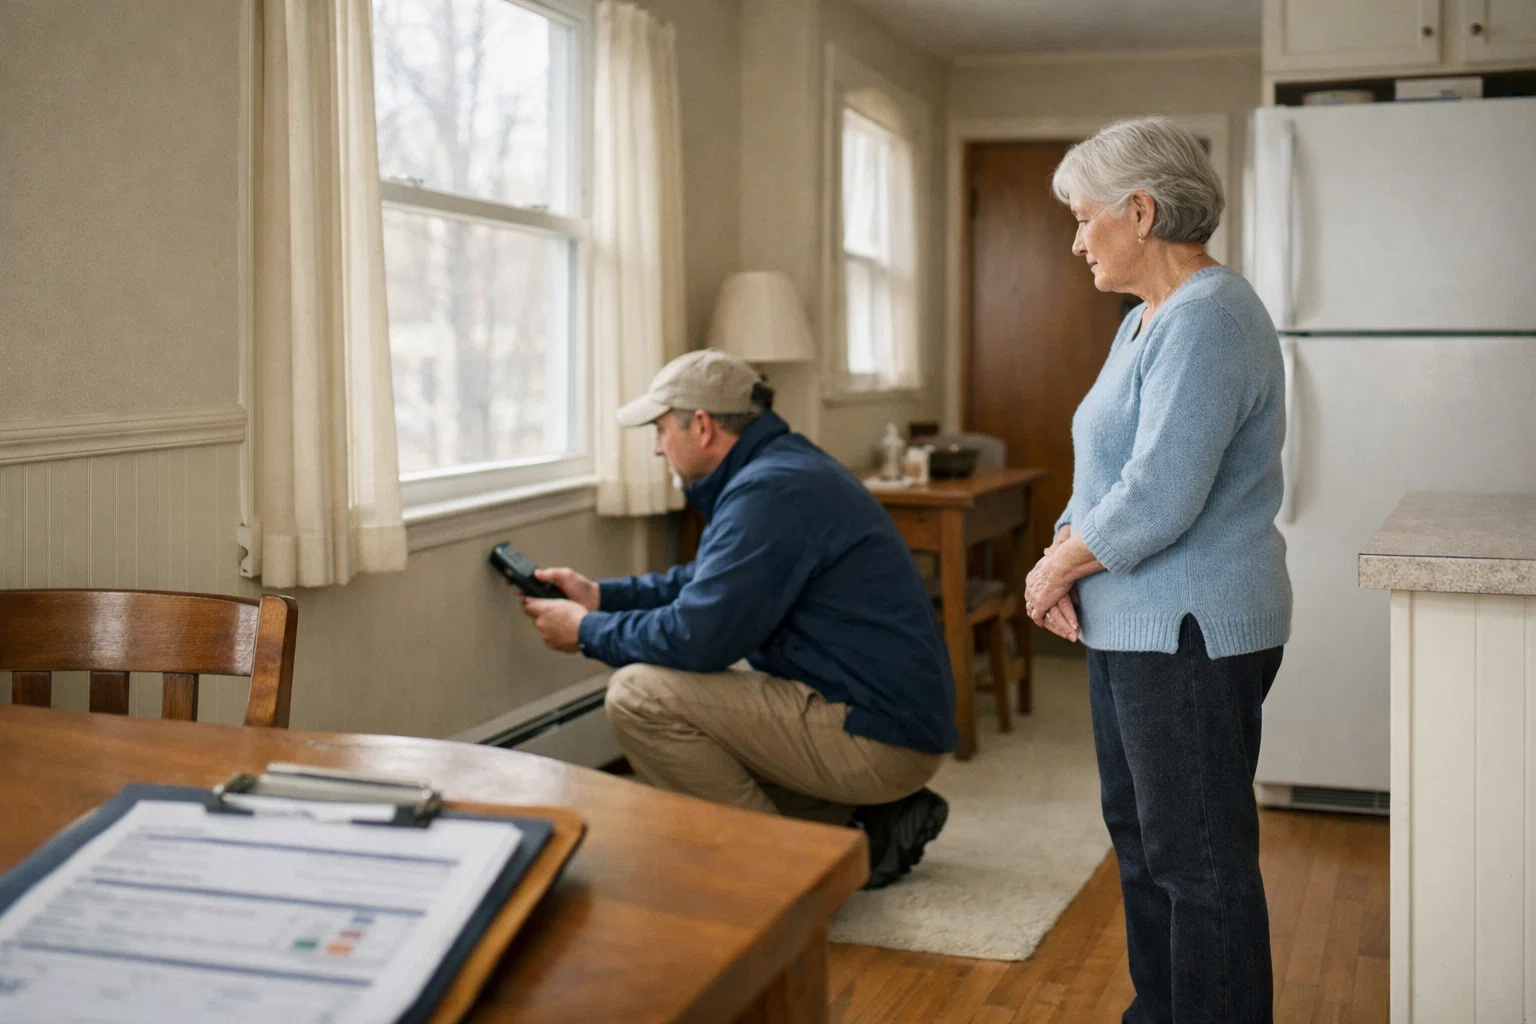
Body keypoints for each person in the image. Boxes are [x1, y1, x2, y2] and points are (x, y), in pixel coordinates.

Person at [1022, 116, 1292, 1022]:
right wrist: (1065, 550)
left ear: (1140, 211)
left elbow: (1160, 491)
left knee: (1199, 866)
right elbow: (1101, 468)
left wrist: (1054, 571)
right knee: (1143, 847)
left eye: (1083, 216)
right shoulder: (1147, 320)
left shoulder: (1211, 316)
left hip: (1188, 631)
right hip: (1133, 625)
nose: (1074, 240)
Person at [519, 349, 956, 889]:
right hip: (890, 722)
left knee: (640, 696)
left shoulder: (769, 490)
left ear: (701, 426)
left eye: (660, 430)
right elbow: (707, 581)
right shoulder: (782, 469)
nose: (657, 447)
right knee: (705, 738)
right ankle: (860, 824)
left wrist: (585, 631)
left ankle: (782, 880)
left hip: (879, 738)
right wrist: (601, 597)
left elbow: (697, 639)